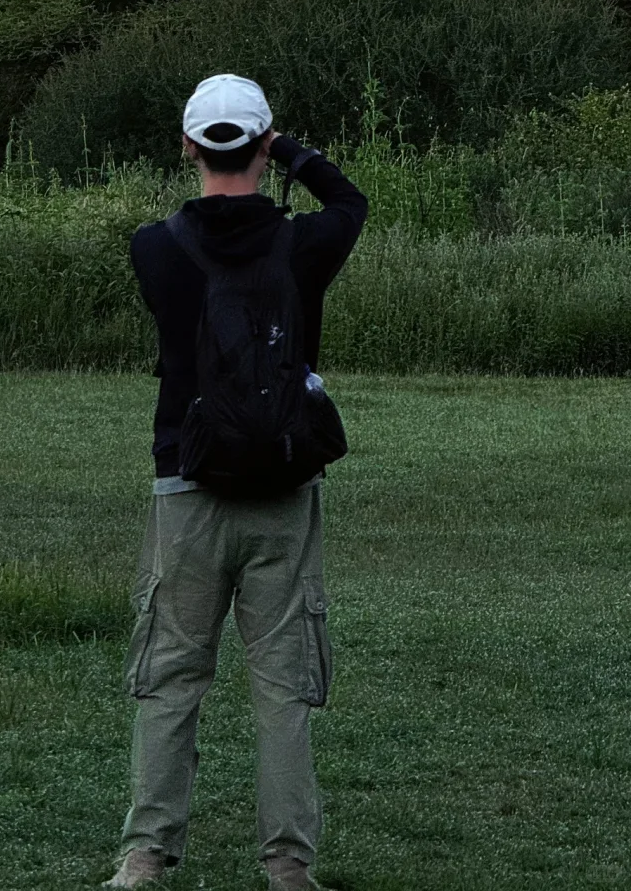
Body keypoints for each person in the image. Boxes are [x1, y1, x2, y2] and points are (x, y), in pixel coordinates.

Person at [108, 73, 368, 891]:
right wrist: (293, 150)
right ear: (261, 146)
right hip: (284, 490)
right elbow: (348, 204)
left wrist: (259, 145)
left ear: (188, 146)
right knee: (282, 686)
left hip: (186, 487)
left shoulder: (155, 247)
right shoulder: (307, 245)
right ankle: (288, 865)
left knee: (171, 676)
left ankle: (146, 857)